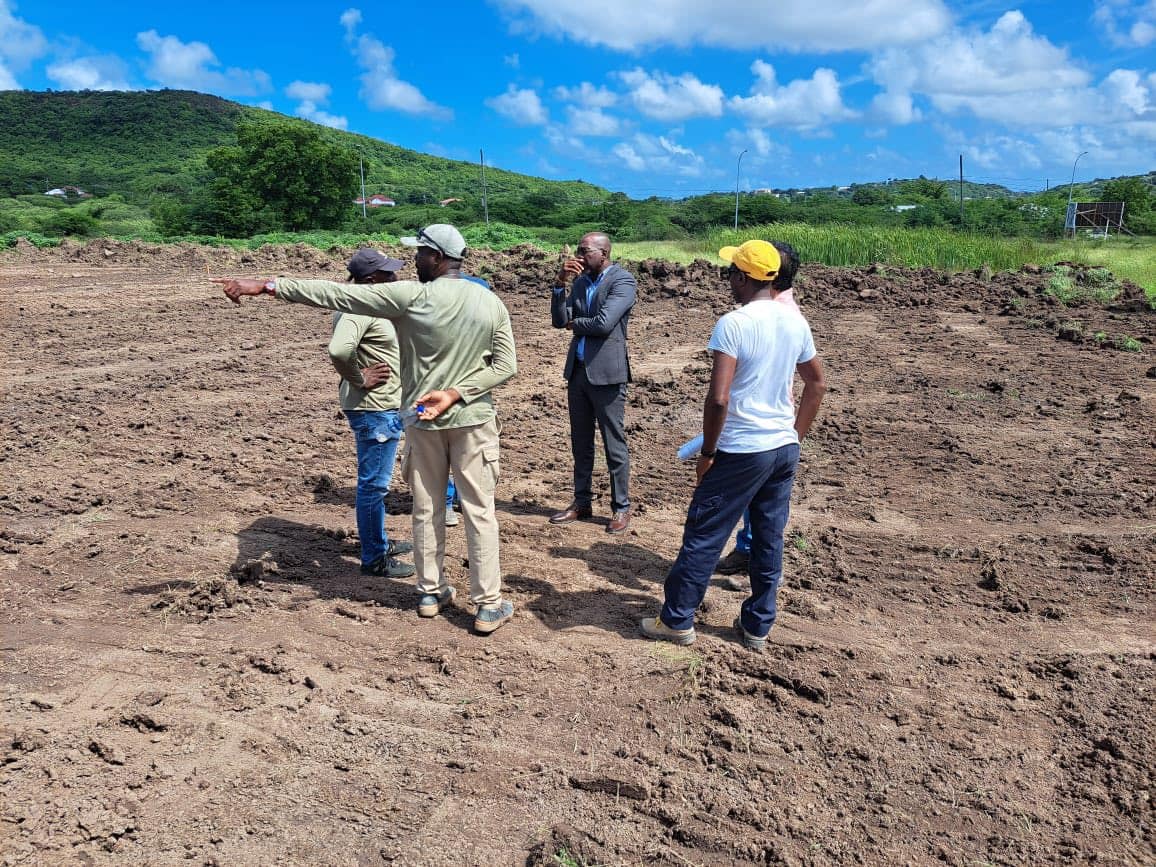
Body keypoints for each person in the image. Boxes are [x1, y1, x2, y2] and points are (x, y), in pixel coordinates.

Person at [216, 224, 519, 635]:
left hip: (421, 419)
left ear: (437, 257)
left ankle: (430, 593)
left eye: (420, 253)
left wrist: (268, 286)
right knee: (480, 512)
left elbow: (336, 294)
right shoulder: (490, 301)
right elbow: (506, 366)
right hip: (473, 420)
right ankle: (487, 605)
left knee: (426, 508)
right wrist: (456, 393)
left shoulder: (410, 296)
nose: (414, 260)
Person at [641, 240, 827, 651]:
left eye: (730, 273)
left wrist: (708, 453)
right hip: (781, 448)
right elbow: (816, 384)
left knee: (705, 534)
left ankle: (676, 620)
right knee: (768, 538)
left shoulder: (734, 324)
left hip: (742, 450)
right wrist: (794, 438)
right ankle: (758, 626)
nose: (728, 280)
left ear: (743, 278)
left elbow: (719, 399)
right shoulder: (795, 322)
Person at [715, 241, 802, 579]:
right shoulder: (785, 314)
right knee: (766, 512)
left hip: (756, 432)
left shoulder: (773, 316)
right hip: (775, 431)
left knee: (719, 519)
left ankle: (749, 555)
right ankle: (755, 568)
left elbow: (721, 396)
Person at [329, 249, 414, 580]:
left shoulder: (366, 303)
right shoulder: (359, 306)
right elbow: (339, 350)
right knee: (374, 486)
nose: (394, 277)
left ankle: (377, 543)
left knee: (375, 484)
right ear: (369, 279)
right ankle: (374, 558)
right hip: (374, 408)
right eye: (387, 273)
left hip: (379, 406)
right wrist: (359, 378)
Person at [548, 232, 637, 534]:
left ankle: (621, 507)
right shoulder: (580, 282)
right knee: (581, 442)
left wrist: (576, 324)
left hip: (608, 375)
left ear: (604, 253)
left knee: (614, 444)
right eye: (578, 250)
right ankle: (581, 501)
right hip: (578, 372)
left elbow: (604, 323)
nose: (579, 256)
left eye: (585, 251)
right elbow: (559, 320)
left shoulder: (623, 281)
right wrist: (560, 283)